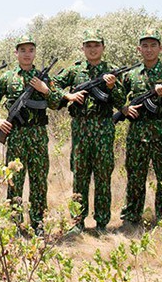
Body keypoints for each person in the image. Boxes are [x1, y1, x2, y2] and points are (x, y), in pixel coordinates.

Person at [53, 29, 126, 234]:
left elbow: (121, 102)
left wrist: (111, 87)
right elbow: (53, 86)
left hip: (103, 127)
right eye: (88, 46)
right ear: (83, 48)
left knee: (103, 175)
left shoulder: (110, 70)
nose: (92, 49)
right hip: (81, 128)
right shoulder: (75, 71)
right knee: (80, 176)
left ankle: (102, 222)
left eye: (96, 45)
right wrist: (69, 96)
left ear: (103, 47)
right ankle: (77, 222)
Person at [0, 34, 62, 233]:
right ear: (16, 53)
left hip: (38, 135)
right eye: (23, 50)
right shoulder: (7, 78)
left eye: (30, 50)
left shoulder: (44, 77)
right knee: (14, 181)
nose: (27, 54)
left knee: (39, 181)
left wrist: (45, 90)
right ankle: (14, 223)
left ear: (35, 52)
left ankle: (38, 223)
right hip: (16, 136)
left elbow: (57, 103)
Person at [118, 29, 162, 229]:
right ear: (139, 49)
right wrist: (124, 108)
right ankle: (131, 216)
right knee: (135, 177)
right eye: (145, 46)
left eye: (153, 45)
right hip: (137, 133)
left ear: (160, 48)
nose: (149, 49)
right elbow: (119, 98)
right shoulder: (131, 74)